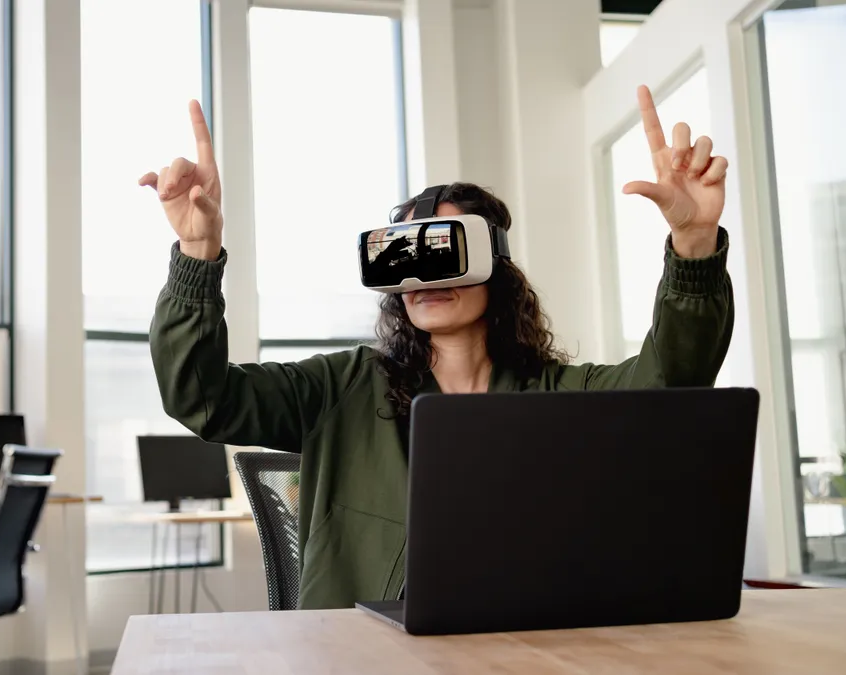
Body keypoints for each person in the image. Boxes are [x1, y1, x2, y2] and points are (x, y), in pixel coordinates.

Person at [139, 85, 734, 611]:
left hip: (509, 643)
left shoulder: (559, 396)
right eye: (406, 259)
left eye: (444, 254)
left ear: (495, 267)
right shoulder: (341, 388)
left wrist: (694, 243)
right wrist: (198, 255)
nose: (424, 278)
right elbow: (203, 398)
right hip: (356, 653)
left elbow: (670, 384)